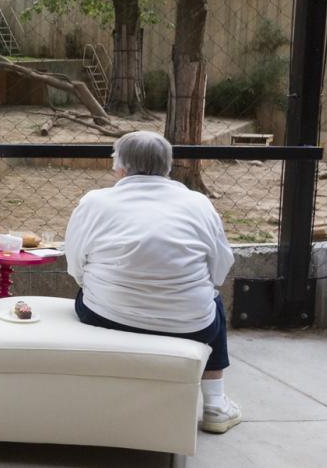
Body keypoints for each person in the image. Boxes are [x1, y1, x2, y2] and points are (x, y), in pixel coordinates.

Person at [66, 131, 239, 434]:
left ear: (120, 167)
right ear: (168, 167)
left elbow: (75, 264)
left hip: (106, 317)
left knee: (88, 291)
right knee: (213, 300)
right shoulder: (198, 204)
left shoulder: (95, 202)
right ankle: (215, 404)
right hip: (191, 326)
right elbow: (220, 268)